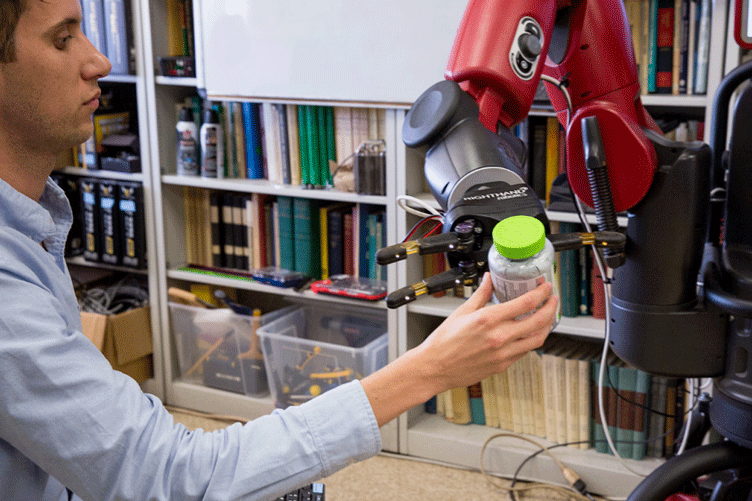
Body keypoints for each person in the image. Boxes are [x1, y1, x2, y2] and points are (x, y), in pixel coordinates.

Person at [0, 0, 558, 499]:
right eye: (63, 37)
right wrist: (428, 369)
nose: (98, 60)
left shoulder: (32, 221)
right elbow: (167, 476)